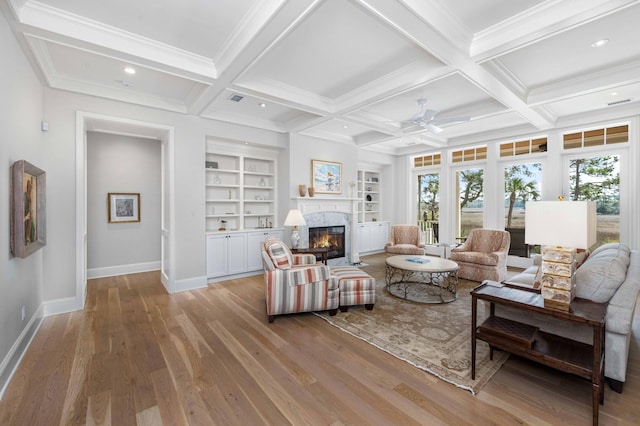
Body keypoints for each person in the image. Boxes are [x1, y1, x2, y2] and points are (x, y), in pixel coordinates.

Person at [24, 177, 36, 244]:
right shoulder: (25, 195)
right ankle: (27, 239)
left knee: (33, 228)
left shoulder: (30, 195)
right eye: (29, 187)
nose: (29, 189)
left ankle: (32, 240)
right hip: (26, 215)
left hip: (29, 214)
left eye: (30, 187)